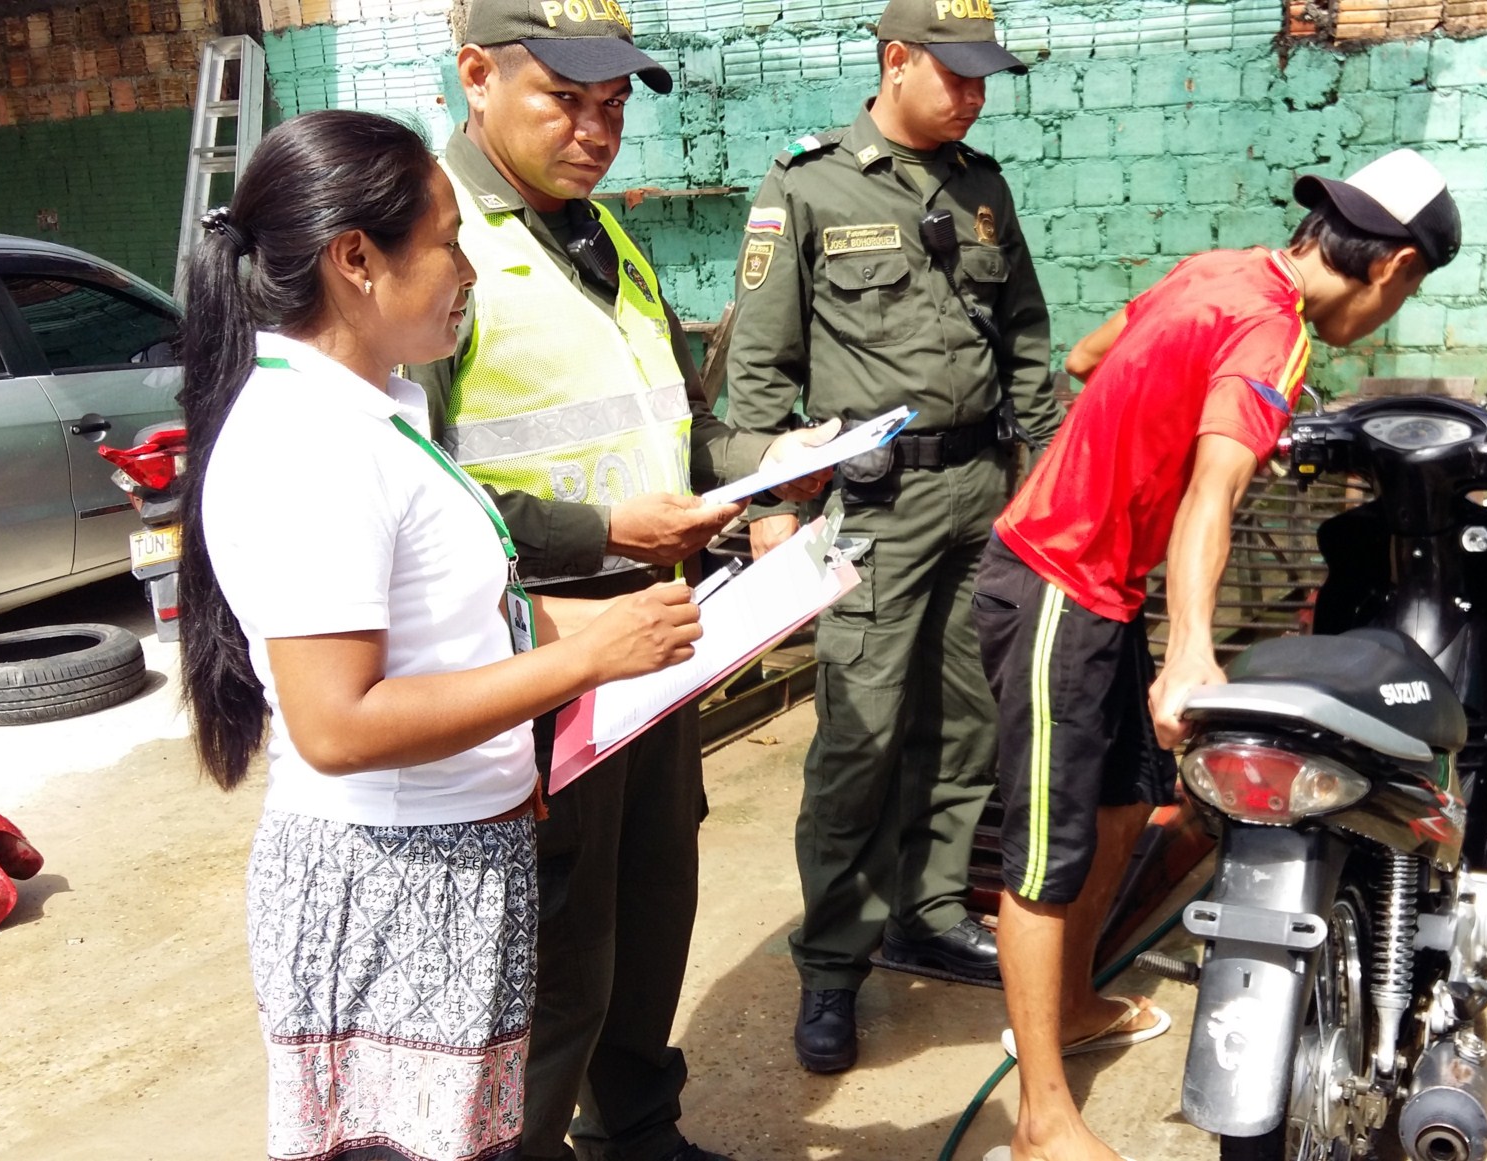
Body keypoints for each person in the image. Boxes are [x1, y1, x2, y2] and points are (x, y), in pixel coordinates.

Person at [176, 109, 704, 1161]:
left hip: (452, 862)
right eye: (449, 243)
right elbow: (338, 724)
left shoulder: (374, 415)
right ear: (356, 260)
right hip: (396, 882)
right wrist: (584, 659)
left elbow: (458, 618)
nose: (468, 273)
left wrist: (621, 626)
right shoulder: (311, 446)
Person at [974, 148, 1462, 1161]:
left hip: (1100, 587)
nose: (1392, 310)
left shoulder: (1221, 269)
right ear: (1393, 266)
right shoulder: (1274, 336)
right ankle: (1041, 1120)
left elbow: (1089, 356)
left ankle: (1073, 1002)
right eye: (1407, 293)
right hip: (1056, 583)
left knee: (1122, 806)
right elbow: (1214, 494)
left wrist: (1154, 418)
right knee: (1043, 857)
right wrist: (1190, 649)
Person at [409, 3, 834, 1158]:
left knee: (652, 894)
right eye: (564, 100)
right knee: (555, 950)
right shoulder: (432, 247)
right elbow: (414, 502)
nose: (596, 132)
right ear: (475, 77)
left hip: (657, 631)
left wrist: (766, 469)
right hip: (534, 648)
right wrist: (603, 529)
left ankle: (638, 1131)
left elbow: (674, 429)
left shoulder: (603, 235)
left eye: (611, 106)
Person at [721, 0, 1061, 1075]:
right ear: (897, 60)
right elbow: (760, 369)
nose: (973, 96)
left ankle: (930, 907)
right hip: (873, 506)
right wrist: (769, 507)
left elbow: (1027, 340)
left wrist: (1049, 473)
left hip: (981, 492)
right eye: (955, 75)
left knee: (967, 720)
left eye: (984, 79)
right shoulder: (808, 186)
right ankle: (832, 962)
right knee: (860, 738)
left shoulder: (982, 186)